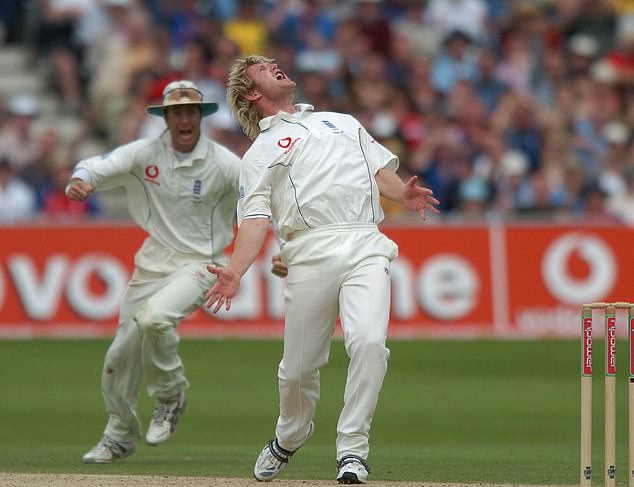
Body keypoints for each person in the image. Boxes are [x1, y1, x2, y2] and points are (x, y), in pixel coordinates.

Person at [205, 56, 439, 484]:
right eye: (261, 67)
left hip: (366, 242)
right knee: (298, 370)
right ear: (252, 94)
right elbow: (255, 220)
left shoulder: (343, 122)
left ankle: (352, 450)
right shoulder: (259, 152)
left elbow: (379, 171)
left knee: (369, 343)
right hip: (309, 252)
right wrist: (236, 270)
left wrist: (402, 195)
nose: (273, 64)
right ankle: (290, 435)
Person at [66, 80, 241, 463]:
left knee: (155, 320)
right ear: (165, 118)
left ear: (201, 117)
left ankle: (170, 394)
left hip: (202, 262)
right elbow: (97, 166)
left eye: (191, 112)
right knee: (118, 358)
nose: (184, 120)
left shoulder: (225, 164)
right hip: (152, 263)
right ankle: (119, 436)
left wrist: (286, 250)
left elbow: (265, 203)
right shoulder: (145, 152)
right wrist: (82, 180)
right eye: (176, 112)